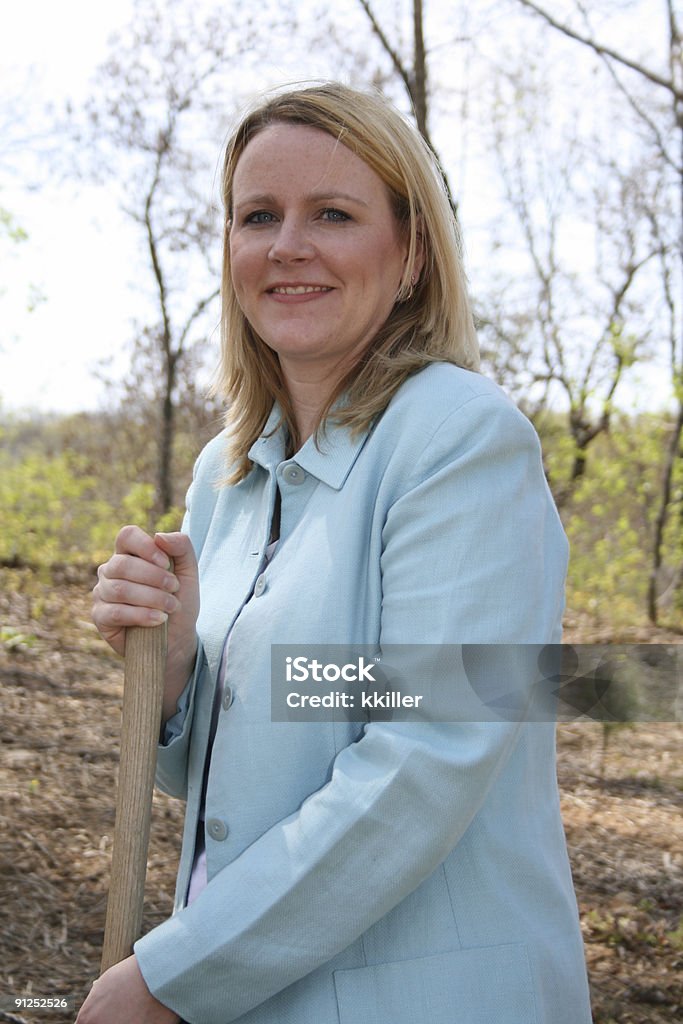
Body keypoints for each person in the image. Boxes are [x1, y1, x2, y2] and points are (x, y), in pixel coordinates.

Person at [82, 82, 593, 1024]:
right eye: (257, 216)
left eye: (333, 214)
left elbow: (423, 760)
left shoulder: (460, 440)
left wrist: (171, 978)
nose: (287, 246)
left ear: (411, 254)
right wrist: (178, 669)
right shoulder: (226, 474)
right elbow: (246, 770)